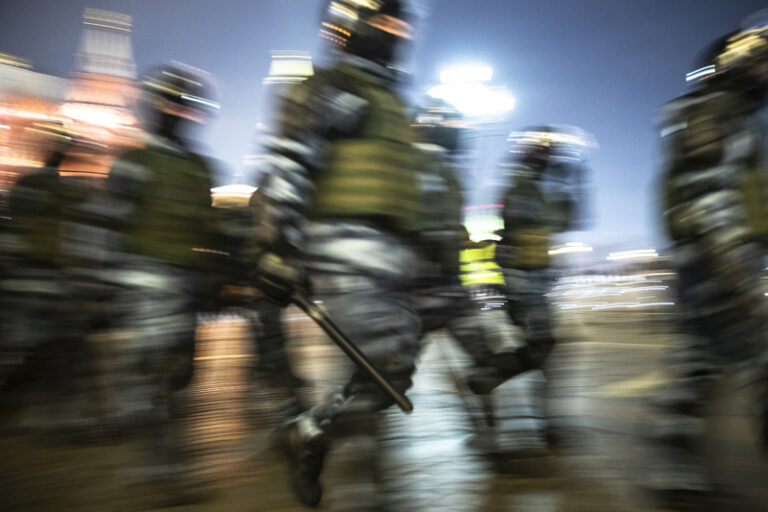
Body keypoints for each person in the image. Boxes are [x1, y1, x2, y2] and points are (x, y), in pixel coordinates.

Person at [255, 1, 421, 508]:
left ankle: (310, 432)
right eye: (386, 22)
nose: (396, 33)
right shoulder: (334, 89)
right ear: (354, 26)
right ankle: (366, 494)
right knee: (382, 366)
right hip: (345, 247)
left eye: (400, 23)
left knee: (390, 370)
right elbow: (289, 165)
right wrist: (277, 247)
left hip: (390, 255)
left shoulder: (388, 99)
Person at [648, 18, 768, 509]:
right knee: (760, 364)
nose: (764, 73)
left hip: (708, 262)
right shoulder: (712, 112)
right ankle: (675, 469)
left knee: (698, 370)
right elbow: (707, 200)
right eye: (759, 62)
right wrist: (740, 275)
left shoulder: (721, 114)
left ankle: (674, 467)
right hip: (719, 260)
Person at [98, 64, 219, 503]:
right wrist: (103, 285)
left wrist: (212, 276)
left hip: (183, 286)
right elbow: (109, 226)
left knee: (181, 374)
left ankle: (154, 448)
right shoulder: (134, 163)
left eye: (183, 105)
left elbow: (208, 230)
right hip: (142, 282)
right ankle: (164, 469)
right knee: (157, 374)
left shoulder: (201, 169)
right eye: (170, 103)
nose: (177, 112)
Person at [467, 126, 592, 444]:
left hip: (535, 278)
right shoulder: (520, 186)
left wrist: (572, 183)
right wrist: (561, 185)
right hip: (521, 277)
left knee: (545, 351)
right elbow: (539, 222)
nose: (550, 157)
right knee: (543, 348)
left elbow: (572, 221)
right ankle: (489, 378)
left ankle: (546, 422)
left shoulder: (535, 186)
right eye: (545, 150)